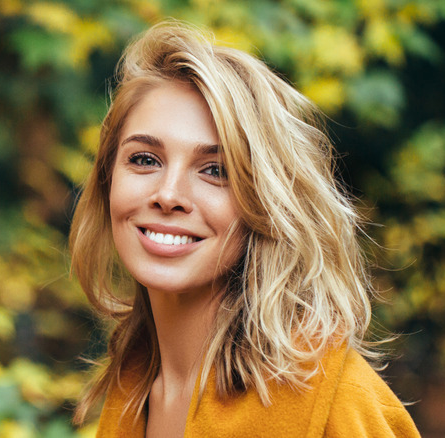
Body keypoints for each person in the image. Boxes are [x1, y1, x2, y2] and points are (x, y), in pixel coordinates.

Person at [69, 21, 420, 437]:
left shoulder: (336, 399)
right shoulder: (132, 390)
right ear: (108, 179)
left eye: (215, 170)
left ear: (265, 204)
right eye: (145, 159)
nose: (168, 194)